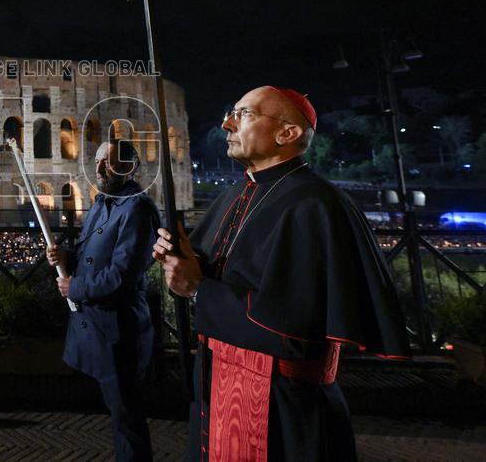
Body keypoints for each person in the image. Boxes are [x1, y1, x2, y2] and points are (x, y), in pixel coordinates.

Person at [154, 86, 409, 461]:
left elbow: (295, 332)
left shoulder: (317, 205)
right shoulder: (232, 195)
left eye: (244, 115)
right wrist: (181, 261)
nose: (226, 124)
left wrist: (198, 289)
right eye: (231, 113)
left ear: (286, 133)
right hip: (216, 388)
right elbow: (219, 275)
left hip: (282, 404)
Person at [47, 139, 158, 462]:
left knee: (127, 419)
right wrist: (65, 256)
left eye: (107, 162)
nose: (98, 169)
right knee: (119, 414)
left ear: (130, 167)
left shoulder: (138, 208)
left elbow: (122, 275)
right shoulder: (102, 203)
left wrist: (75, 288)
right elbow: (86, 254)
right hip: (98, 326)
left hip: (118, 329)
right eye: (96, 161)